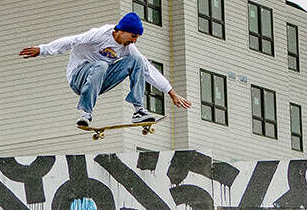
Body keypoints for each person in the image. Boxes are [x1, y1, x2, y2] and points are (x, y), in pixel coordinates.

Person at [19, 12, 192, 127]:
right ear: (121, 31)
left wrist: (171, 92)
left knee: (138, 61)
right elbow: (71, 41)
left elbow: (147, 69)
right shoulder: (99, 34)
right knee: (101, 65)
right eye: (133, 36)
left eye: (137, 38)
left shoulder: (127, 48)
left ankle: (139, 110)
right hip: (78, 78)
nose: (134, 41)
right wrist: (42, 49)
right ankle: (85, 113)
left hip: (99, 82)